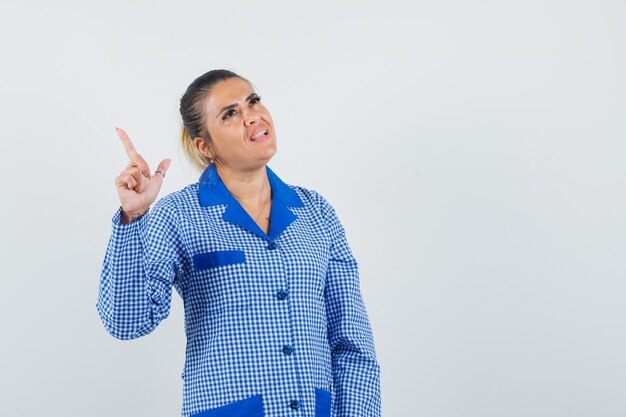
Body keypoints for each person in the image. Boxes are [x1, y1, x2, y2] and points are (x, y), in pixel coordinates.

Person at [96, 69, 381, 417]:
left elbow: (352, 341)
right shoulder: (179, 215)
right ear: (205, 145)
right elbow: (127, 322)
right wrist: (133, 218)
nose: (252, 117)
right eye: (230, 114)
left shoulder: (316, 213)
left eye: (253, 101)